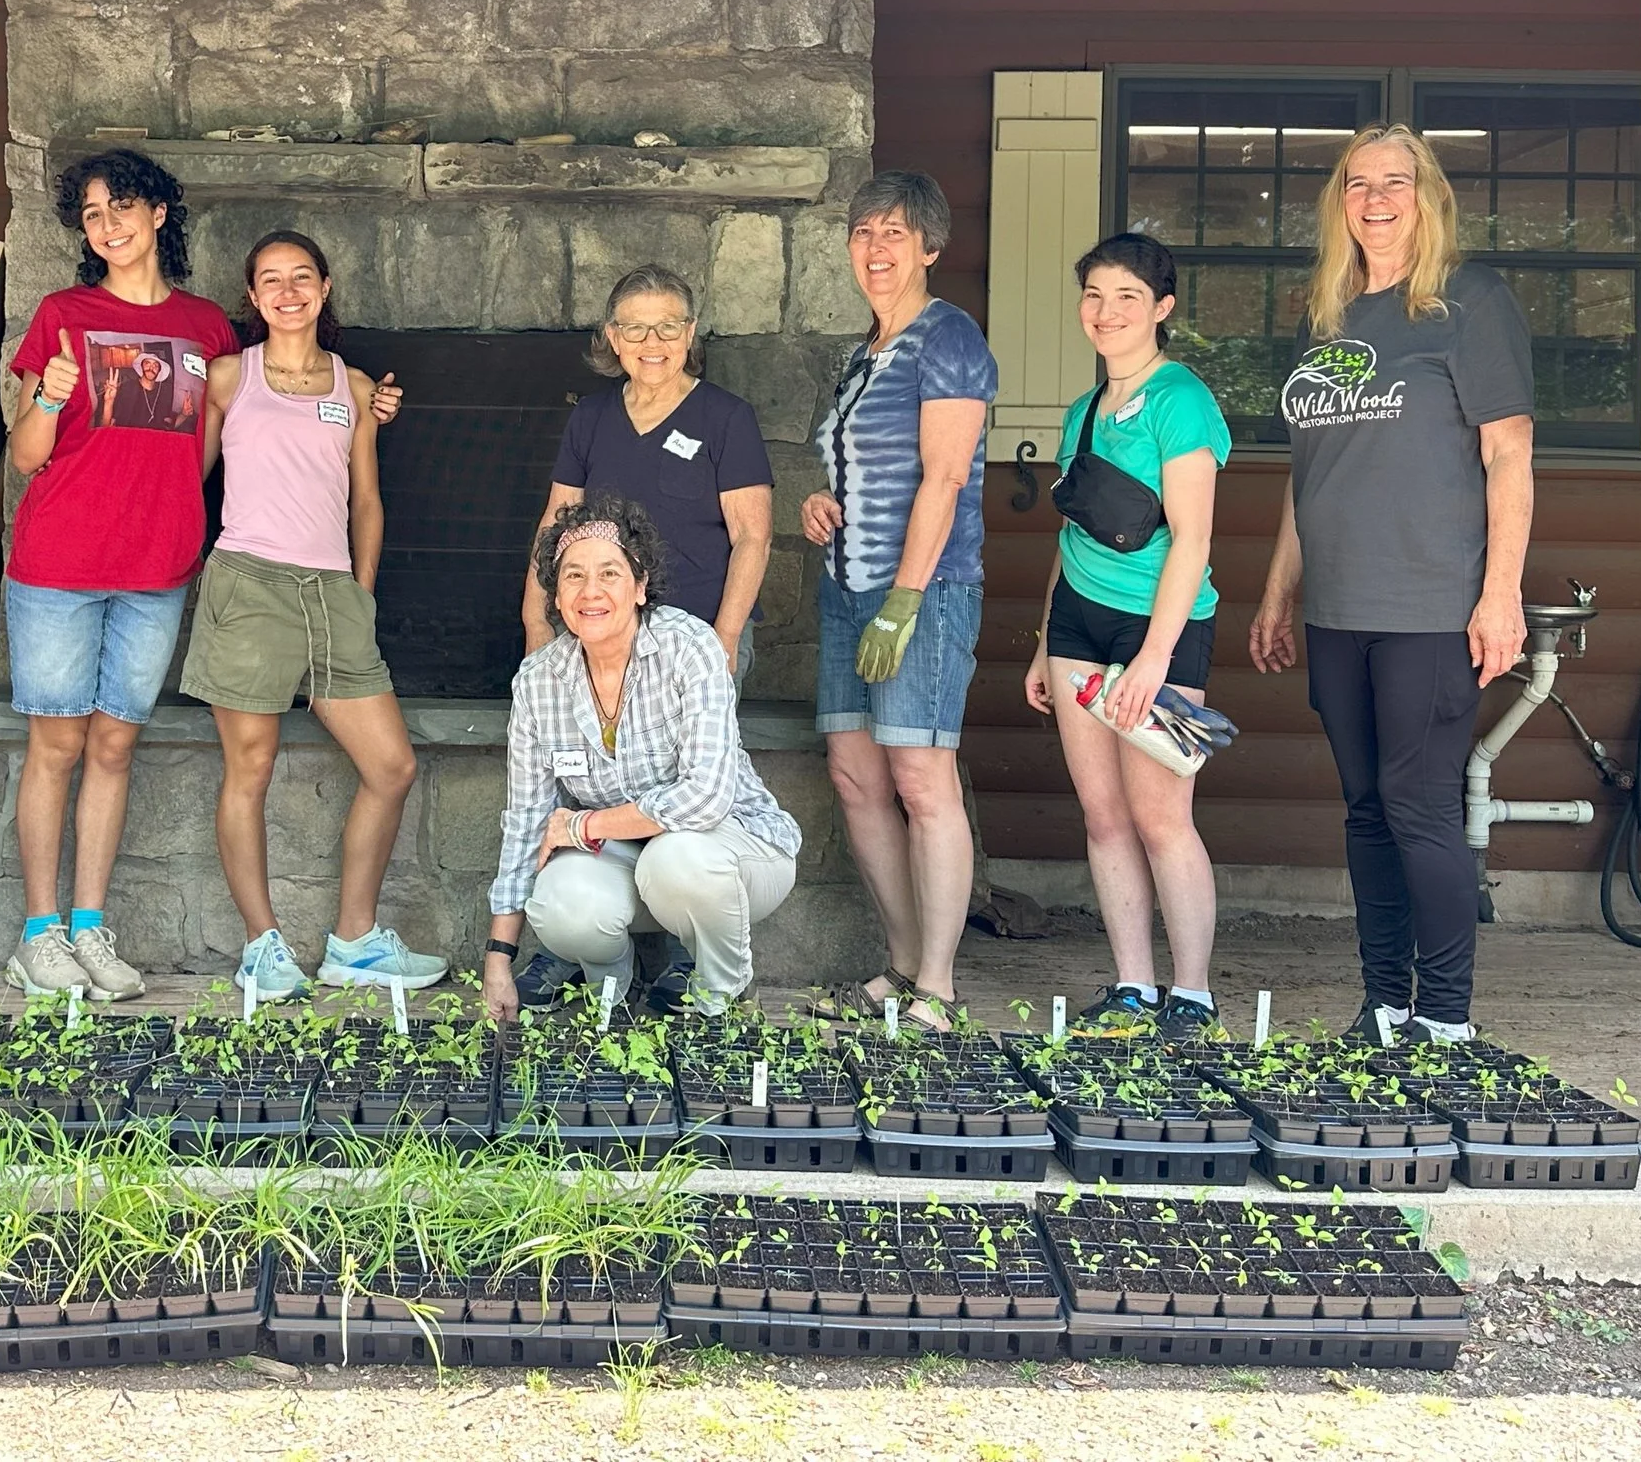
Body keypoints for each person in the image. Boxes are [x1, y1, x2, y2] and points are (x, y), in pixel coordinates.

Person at [4, 152, 404, 1000]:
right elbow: (26, 457)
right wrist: (48, 396)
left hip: (158, 566)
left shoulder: (208, 333)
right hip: (61, 559)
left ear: (157, 214)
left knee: (114, 744)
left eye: (121, 207)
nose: (106, 225)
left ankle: (88, 925)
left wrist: (368, 404)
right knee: (57, 743)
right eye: (90, 215)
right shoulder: (63, 314)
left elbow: (269, 415)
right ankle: (38, 935)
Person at [1249, 126, 1534, 1047]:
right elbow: (1310, 475)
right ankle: (1386, 1006)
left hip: (1428, 607)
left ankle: (1446, 1018)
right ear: (1340, 201)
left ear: (1429, 196)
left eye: (1396, 182)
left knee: (1420, 806)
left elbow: (1510, 454)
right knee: (1367, 809)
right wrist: (1277, 591)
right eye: (1358, 183)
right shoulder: (1324, 316)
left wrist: (1501, 594)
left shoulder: (1470, 303)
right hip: (1338, 610)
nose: (1376, 198)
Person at [179, 230, 446, 998]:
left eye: (302, 277)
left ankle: (354, 942)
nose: (287, 290)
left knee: (391, 766)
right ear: (254, 297)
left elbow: (367, 497)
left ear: (325, 288)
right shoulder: (229, 376)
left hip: (332, 592)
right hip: (249, 581)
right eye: (271, 279)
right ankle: (263, 947)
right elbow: (188, 478)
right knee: (249, 767)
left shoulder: (355, 387)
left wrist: (359, 591)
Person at [511, 263, 774, 1012]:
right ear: (611, 339)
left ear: (690, 335)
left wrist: (726, 636)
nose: (651, 341)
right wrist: (536, 620)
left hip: (692, 644)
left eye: (668, 326)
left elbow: (752, 536)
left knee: (692, 790)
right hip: (592, 639)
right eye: (634, 326)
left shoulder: (726, 417)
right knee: (574, 781)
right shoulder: (592, 417)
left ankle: (691, 953)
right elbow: (555, 524)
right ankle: (576, 943)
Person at [480, 494, 802, 1023]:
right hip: (628, 862)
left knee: (676, 859)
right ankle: (611, 999)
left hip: (736, 853)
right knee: (562, 900)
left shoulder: (689, 648)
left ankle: (717, 1000)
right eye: (573, 576)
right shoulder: (539, 682)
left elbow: (705, 798)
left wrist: (584, 824)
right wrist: (498, 959)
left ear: (640, 586)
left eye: (609, 572)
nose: (591, 591)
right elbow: (525, 825)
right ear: (556, 598)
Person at [802, 171, 997, 1033]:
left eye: (893, 234)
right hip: (846, 586)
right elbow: (870, 466)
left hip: (921, 589)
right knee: (856, 777)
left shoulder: (947, 338)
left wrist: (905, 597)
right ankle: (904, 963)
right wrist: (823, 503)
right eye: (863, 233)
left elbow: (947, 475)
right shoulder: (864, 351)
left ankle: (942, 990)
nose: (875, 249)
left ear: (929, 246)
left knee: (923, 777)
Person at [1022, 233, 1229, 1037]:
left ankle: (1194, 994)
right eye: (1095, 295)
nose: (1106, 313)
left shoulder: (1183, 402)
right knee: (1103, 813)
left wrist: (1152, 658)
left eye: (1127, 298)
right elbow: (1069, 535)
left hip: (1164, 627)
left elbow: (1194, 539)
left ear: (1163, 309)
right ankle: (1133, 987)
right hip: (1078, 620)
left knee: (1160, 813)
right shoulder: (1084, 410)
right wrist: (1045, 640)